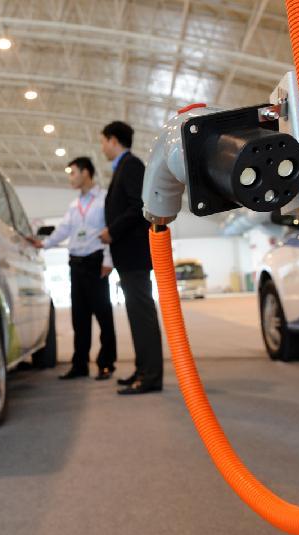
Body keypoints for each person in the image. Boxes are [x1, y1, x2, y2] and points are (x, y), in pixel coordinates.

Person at [30, 157, 117, 380]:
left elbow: (110, 229)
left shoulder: (104, 199)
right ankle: (80, 364)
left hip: (96, 262)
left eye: (73, 172)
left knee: (103, 315)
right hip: (76, 263)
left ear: (86, 172)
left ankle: (106, 363)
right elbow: (63, 230)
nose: (71, 177)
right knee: (79, 317)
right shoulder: (74, 205)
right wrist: (44, 243)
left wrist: (108, 260)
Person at [99, 121, 164, 395]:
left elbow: (139, 206)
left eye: (103, 141)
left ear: (114, 140)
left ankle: (150, 376)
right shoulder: (124, 168)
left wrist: (111, 231)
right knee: (137, 316)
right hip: (129, 258)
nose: (102, 147)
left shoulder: (131, 166)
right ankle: (142, 370)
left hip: (134, 255)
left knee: (142, 316)